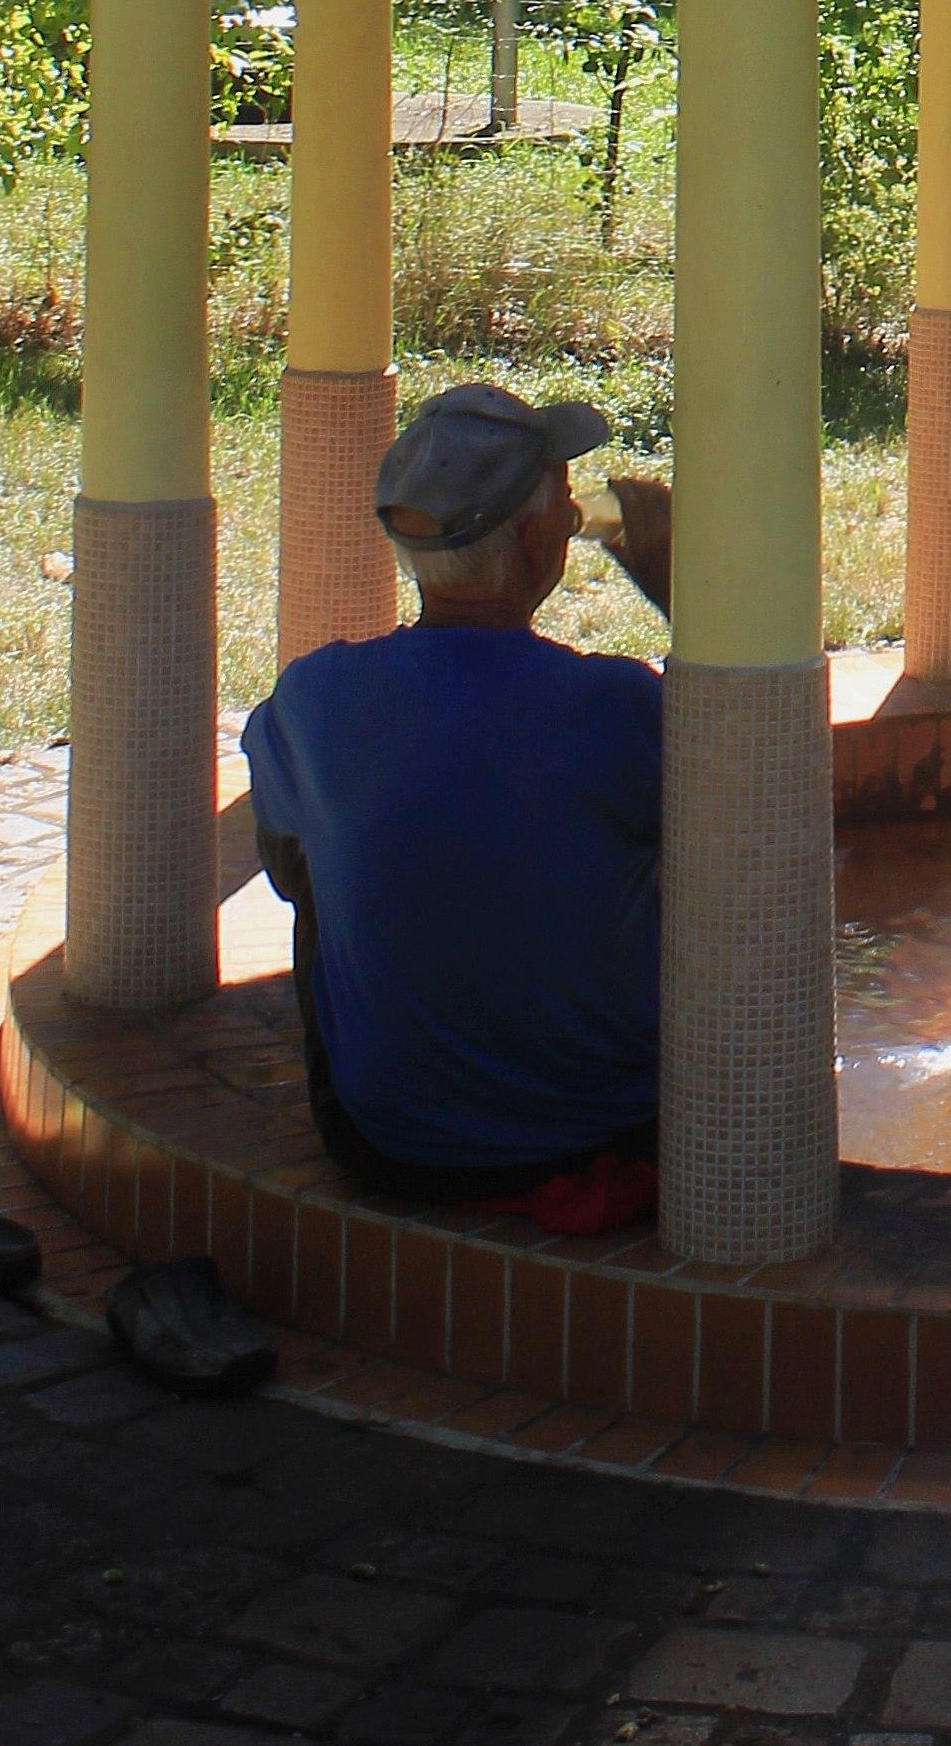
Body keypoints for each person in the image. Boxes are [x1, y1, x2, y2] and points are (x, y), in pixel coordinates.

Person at [240, 381, 672, 1199]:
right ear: (542, 542)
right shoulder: (622, 708)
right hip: (611, 1130)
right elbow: (778, 824)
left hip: (388, 1141)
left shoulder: (313, 699)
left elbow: (288, 870)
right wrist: (688, 589)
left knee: (316, 855)